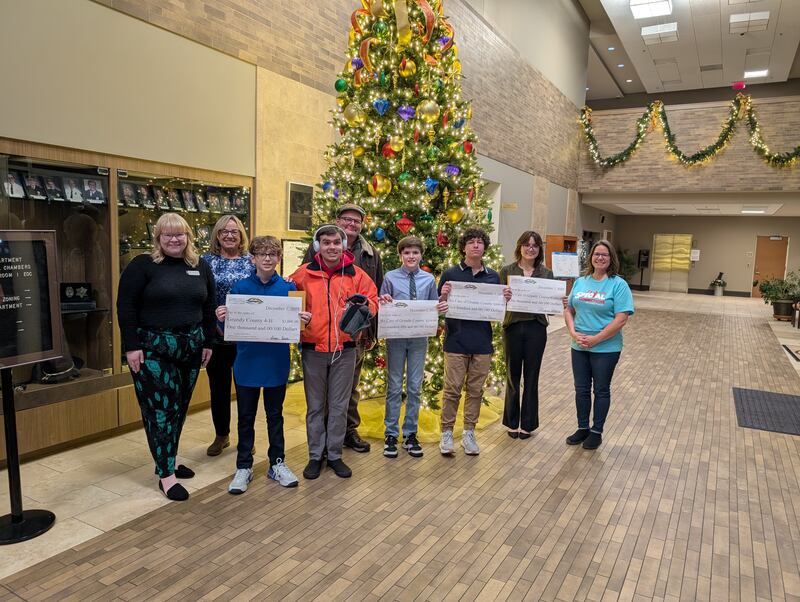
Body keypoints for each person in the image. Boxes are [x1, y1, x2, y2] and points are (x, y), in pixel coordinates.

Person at [117, 212, 216, 501]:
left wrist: (208, 342)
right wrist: (131, 346)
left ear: (188, 237)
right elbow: (126, 307)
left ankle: (168, 458)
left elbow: (209, 307)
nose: (174, 239)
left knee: (179, 408)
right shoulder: (143, 266)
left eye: (180, 234)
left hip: (192, 346)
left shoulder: (200, 266)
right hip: (153, 349)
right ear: (158, 238)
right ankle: (166, 474)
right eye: (167, 234)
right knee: (160, 412)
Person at [215, 236, 310, 493]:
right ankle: (243, 466)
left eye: (272, 254)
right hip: (246, 362)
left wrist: (303, 320)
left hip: (276, 363)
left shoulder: (290, 289)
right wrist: (222, 318)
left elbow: (298, 331)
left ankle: (277, 463)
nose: (267, 258)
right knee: (245, 417)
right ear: (253, 259)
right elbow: (228, 330)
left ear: (278, 258)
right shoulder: (240, 288)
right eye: (262, 254)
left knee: (275, 416)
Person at [291, 224, 378, 479]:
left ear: (344, 246)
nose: (332, 247)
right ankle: (316, 456)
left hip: (345, 349)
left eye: (336, 243)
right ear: (318, 246)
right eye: (326, 242)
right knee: (316, 406)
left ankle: (336, 455)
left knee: (339, 406)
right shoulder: (302, 275)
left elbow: (373, 301)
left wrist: (365, 306)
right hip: (313, 349)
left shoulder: (357, 275)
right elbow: (287, 302)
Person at [302, 203, 383, 453]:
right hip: (317, 340)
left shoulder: (370, 255)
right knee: (319, 399)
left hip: (352, 338)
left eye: (356, 221)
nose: (351, 224)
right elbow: (300, 288)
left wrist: (371, 332)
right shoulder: (310, 260)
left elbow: (375, 293)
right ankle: (321, 443)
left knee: (348, 389)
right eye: (346, 219)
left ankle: (346, 432)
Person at [437, 227, 511, 456]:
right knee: (452, 390)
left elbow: (497, 309)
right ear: (464, 247)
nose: (476, 245)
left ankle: (469, 432)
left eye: (480, 242)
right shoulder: (450, 274)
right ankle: (447, 433)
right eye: (471, 242)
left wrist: (505, 298)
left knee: (476, 390)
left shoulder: (492, 276)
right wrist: (444, 296)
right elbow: (440, 306)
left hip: (481, 342)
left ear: (484, 247)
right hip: (455, 341)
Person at [378, 236, 448, 458]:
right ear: (401, 255)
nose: (411, 256)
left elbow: (433, 307)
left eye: (415, 253)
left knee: (415, 387)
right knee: (395, 385)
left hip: (419, 338)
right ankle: (390, 434)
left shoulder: (428, 279)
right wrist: (383, 299)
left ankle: (410, 434)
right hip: (396, 337)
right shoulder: (390, 277)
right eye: (407, 253)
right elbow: (382, 302)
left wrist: (441, 306)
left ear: (421, 255)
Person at [564, 240, 634, 450]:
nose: (600, 258)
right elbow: (568, 308)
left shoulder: (618, 284)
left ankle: (596, 431)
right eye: (597, 254)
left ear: (611, 258)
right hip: (579, 346)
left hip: (606, 348)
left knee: (601, 390)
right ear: (591, 257)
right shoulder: (581, 282)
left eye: (605, 255)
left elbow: (621, 319)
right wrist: (573, 333)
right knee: (581, 389)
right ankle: (583, 428)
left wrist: (596, 339)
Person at [201, 215, 255, 456]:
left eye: (234, 231)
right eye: (224, 231)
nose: (229, 235)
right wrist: (213, 317)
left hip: (246, 337)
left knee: (246, 389)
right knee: (219, 388)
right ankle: (221, 434)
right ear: (217, 235)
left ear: (241, 234)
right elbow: (200, 295)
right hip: (216, 336)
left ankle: (247, 437)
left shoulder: (251, 261)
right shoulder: (205, 261)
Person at [499, 231, 553, 440]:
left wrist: (560, 301)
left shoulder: (546, 274)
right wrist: (503, 296)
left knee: (531, 376)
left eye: (535, 245)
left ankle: (528, 423)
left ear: (540, 249)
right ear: (520, 247)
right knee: (512, 376)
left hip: (536, 328)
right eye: (527, 244)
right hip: (512, 327)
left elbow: (552, 302)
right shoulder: (506, 271)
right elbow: (498, 301)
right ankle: (512, 422)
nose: (530, 248)